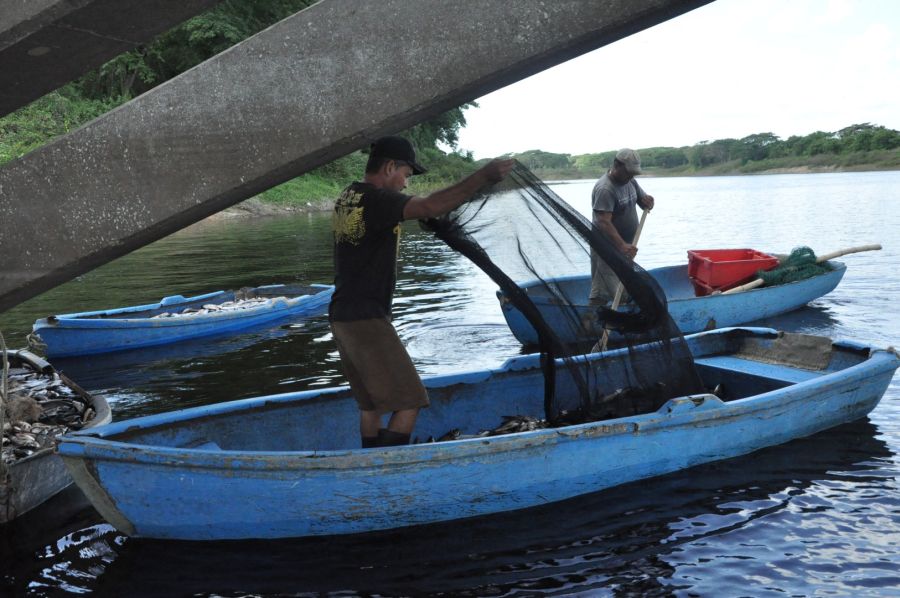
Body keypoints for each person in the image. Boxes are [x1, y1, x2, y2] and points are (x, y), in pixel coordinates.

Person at [329, 135, 514, 448]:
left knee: (371, 404)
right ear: (389, 167)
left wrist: (429, 211)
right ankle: (389, 471)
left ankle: (370, 463)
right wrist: (482, 176)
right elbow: (429, 204)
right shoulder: (378, 200)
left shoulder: (350, 195)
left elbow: (420, 208)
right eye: (405, 174)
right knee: (411, 400)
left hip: (342, 315)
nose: (405, 183)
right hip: (366, 318)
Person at [588, 148, 655, 306]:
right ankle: (589, 325)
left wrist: (648, 202)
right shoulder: (605, 189)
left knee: (624, 287)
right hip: (607, 248)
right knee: (601, 292)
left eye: (633, 173)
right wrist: (622, 245)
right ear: (617, 165)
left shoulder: (629, 180)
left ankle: (620, 320)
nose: (631, 176)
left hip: (626, 248)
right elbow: (603, 222)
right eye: (628, 172)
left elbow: (642, 200)